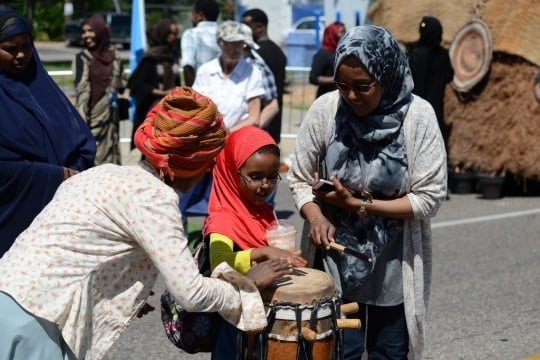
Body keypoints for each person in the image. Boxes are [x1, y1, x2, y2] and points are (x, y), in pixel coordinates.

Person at [0, 86, 293, 360]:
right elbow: (190, 293)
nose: (208, 173)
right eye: (208, 164)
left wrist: (125, 291)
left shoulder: (99, 174)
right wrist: (247, 285)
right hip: (37, 320)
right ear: (192, 163)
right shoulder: (155, 199)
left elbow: (77, 254)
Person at [287, 25, 447, 360]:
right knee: (336, 352)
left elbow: (428, 198)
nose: (352, 96)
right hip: (334, 267)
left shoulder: (417, 117)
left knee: (389, 352)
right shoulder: (326, 110)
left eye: (363, 86)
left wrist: (358, 203)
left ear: (385, 76)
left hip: (393, 266)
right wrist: (316, 215)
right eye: (342, 85)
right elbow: (299, 178)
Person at [204, 125, 307, 359]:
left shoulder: (261, 210)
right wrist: (262, 252)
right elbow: (218, 262)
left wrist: (284, 255)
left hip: (260, 316)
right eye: (255, 177)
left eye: (272, 177)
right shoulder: (223, 218)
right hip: (234, 322)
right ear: (232, 172)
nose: (265, 185)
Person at [0, 8, 96, 258]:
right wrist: (53, 175)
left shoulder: (41, 84)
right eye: (10, 48)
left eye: (27, 46)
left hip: (61, 223)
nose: (21, 55)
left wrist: (75, 172)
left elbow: (81, 140)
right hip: (11, 229)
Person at [193, 20, 264, 131]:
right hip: (207, 136)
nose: (236, 49)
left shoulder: (253, 73)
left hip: (237, 138)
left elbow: (254, 118)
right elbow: (195, 108)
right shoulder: (205, 71)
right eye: (231, 43)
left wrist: (227, 134)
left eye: (239, 43)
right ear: (220, 43)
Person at [73, 13, 123, 165]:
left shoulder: (115, 55)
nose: (86, 35)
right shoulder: (83, 57)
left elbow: (120, 78)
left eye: (90, 30)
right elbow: (82, 87)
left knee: (112, 154)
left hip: (111, 116)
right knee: (95, 156)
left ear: (100, 31)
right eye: (84, 31)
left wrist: (120, 83)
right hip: (93, 116)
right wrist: (81, 113)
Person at [128, 18, 181, 156]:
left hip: (171, 110)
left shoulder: (173, 55)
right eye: (172, 33)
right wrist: (162, 93)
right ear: (163, 34)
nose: (175, 37)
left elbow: (177, 80)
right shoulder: (150, 59)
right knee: (152, 149)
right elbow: (137, 85)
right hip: (153, 110)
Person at [242, 8, 287, 144]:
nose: (242, 30)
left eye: (246, 26)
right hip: (273, 122)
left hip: (259, 123)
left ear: (260, 27)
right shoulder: (278, 51)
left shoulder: (255, 55)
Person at [407, 16, 453, 149]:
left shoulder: (416, 54)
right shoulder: (443, 55)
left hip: (416, 108)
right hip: (436, 108)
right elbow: (450, 76)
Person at [180, 0, 221, 87]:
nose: (191, 19)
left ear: (200, 16)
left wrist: (192, 94)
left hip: (202, 89)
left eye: (193, 15)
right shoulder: (224, 33)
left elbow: (188, 66)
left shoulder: (191, 34)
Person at [309, 21, 346, 99]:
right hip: (326, 97)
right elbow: (313, 78)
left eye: (344, 32)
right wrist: (335, 80)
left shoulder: (342, 52)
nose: (343, 35)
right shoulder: (322, 54)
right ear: (332, 34)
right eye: (340, 32)